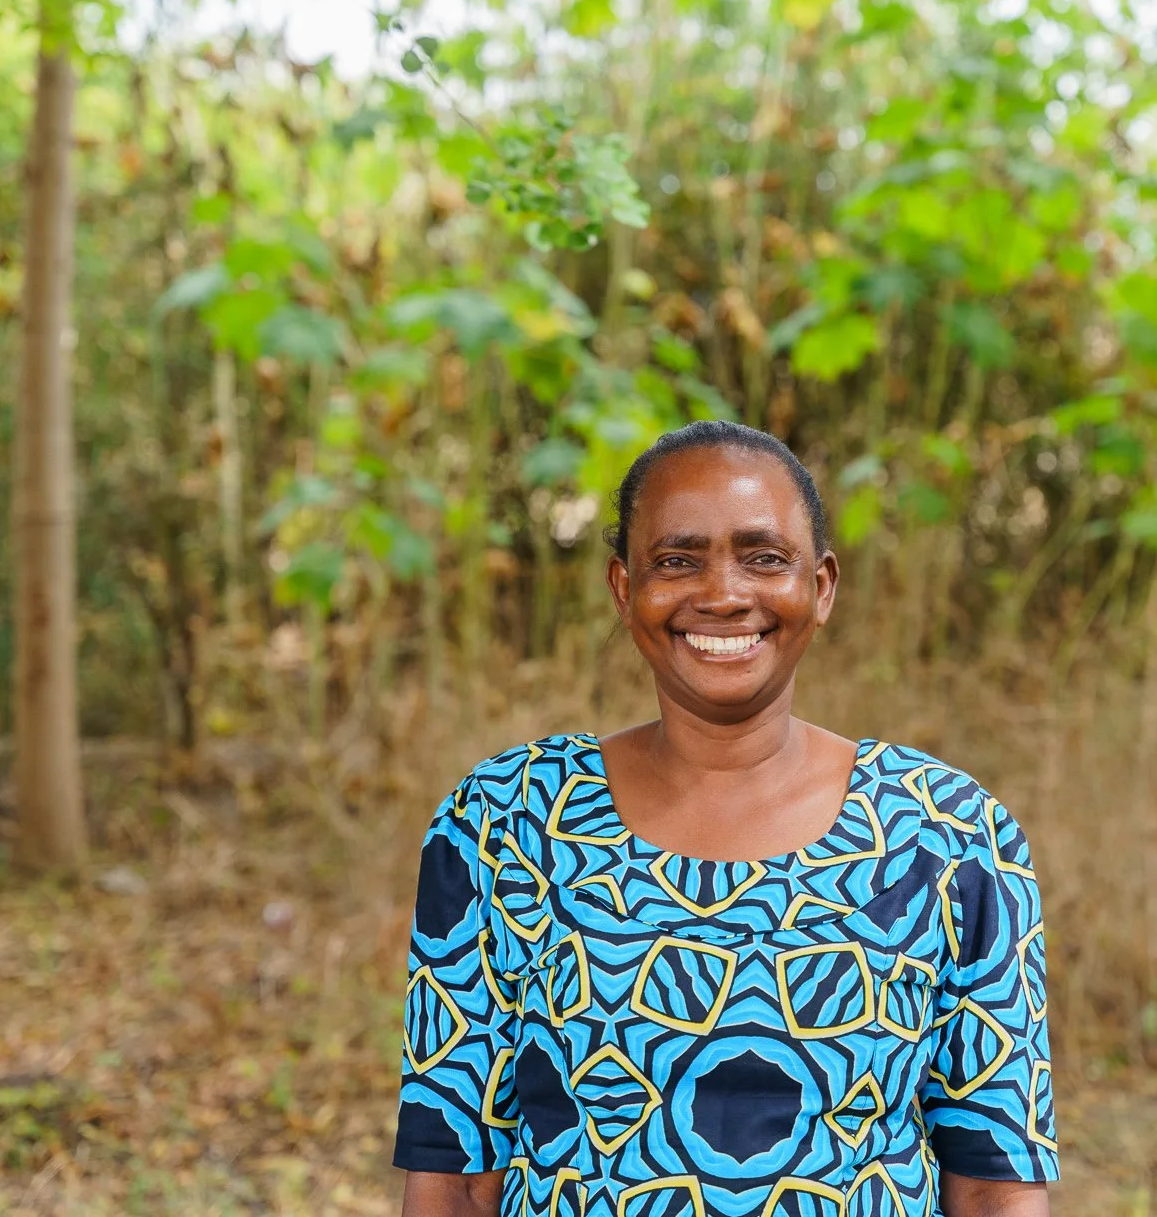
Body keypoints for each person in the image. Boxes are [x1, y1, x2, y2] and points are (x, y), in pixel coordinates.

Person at [394, 420, 1057, 1217]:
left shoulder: (948, 837)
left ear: (823, 584)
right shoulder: (507, 825)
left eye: (764, 557)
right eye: (677, 560)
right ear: (621, 588)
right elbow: (455, 1179)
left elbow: (993, 1184)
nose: (722, 593)